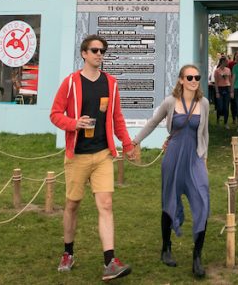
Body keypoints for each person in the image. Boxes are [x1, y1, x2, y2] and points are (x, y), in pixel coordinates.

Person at [50, 34, 139, 280]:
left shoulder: (111, 83)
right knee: (72, 204)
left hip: (102, 154)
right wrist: (73, 123)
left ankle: (110, 261)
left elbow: (116, 118)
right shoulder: (70, 83)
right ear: (84, 54)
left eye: (102, 51)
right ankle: (68, 252)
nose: (100, 54)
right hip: (77, 155)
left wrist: (127, 144)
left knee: (106, 205)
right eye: (95, 50)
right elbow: (55, 114)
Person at [132, 64, 210, 278]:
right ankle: (166, 248)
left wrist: (204, 158)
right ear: (181, 80)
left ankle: (197, 256)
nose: (194, 80)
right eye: (190, 77)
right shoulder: (170, 102)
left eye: (197, 77)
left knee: (202, 202)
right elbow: (153, 122)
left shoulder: (203, 103)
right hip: (173, 157)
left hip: (194, 159)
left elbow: (204, 134)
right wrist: (135, 142)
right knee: (169, 202)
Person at [212, 57, 232, 126]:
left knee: (226, 106)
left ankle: (226, 123)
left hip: (227, 88)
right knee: (220, 106)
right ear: (222, 62)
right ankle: (218, 119)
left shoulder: (228, 70)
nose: (227, 62)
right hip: (220, 88)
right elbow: (216, 82)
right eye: (226, 61)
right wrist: (217, 92)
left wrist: (231, 89)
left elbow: (230, 80)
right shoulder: (217, 71)